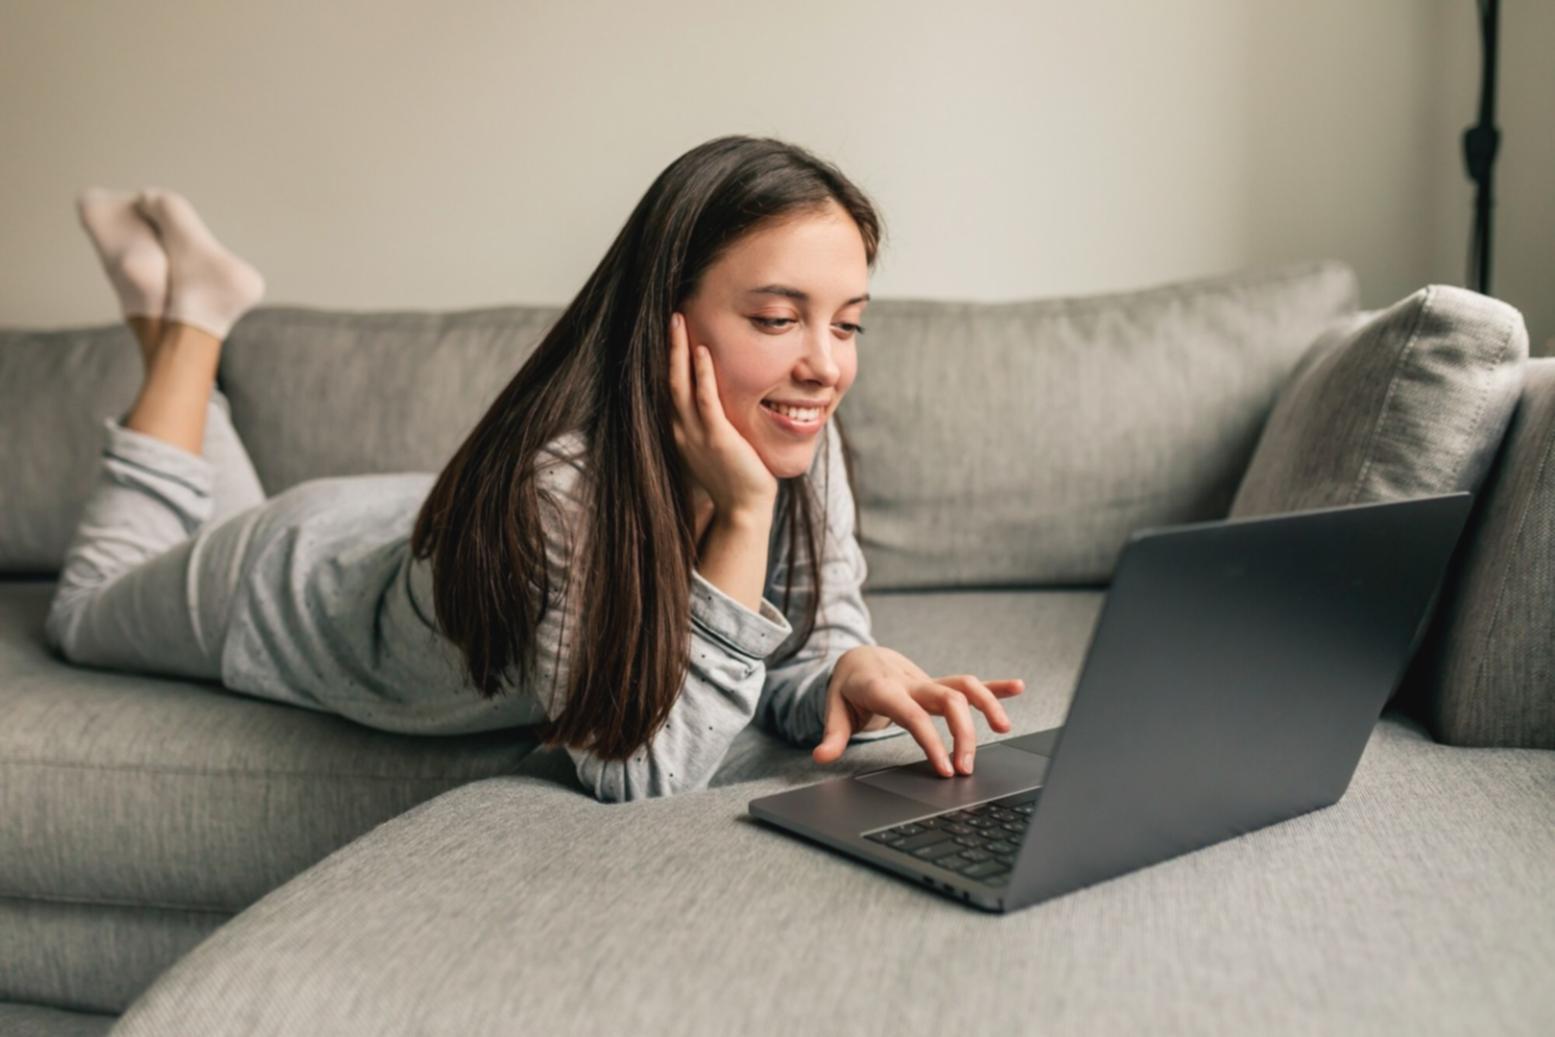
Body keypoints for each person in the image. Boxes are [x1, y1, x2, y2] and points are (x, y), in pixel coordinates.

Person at [48, 135, 1025, 804]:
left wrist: (845, 666)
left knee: (176, 532)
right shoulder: (558, 499)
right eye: (776, 317)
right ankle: (189, 330)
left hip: (390, 525)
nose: (824, 360)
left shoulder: (789, 423)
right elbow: (643, 770)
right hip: (287, 581)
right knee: (85, 612)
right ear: (663, 319)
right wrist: (736, 518)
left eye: (848, 321)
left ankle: (164, 304)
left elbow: (801, 640)